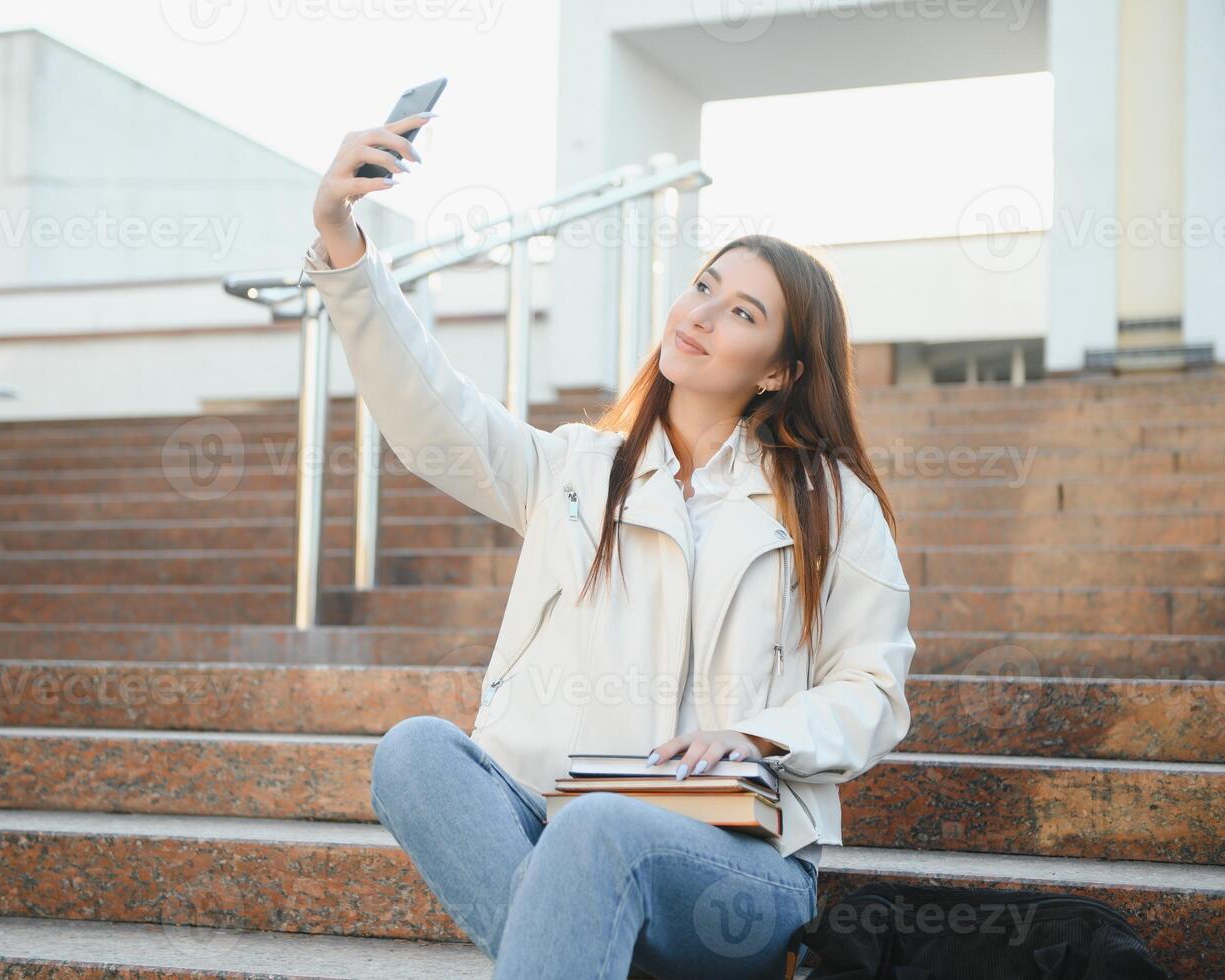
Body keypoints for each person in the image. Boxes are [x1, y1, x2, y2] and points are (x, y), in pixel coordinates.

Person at [301, 112, 915, 980]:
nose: (700, 315)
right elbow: (430, 411)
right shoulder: (577, 470)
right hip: (563, 825)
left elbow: (875, 687)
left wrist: (757, 733)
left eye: (739, 311)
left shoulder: (828, 503)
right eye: (702, 286)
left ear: (777, 370)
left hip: (735, 870)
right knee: (416, 753)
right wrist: (342, 241)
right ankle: (583, 938)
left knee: (601, 828)